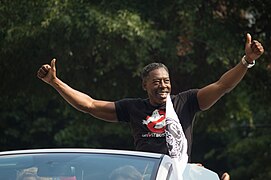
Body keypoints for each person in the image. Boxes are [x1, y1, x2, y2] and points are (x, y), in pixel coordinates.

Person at [37, 33, 263, 176]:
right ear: (144, 85)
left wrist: (246, 61)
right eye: (156, 82)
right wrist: (55, 82)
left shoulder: (186, 102)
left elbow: (222, 86)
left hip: (178, 174)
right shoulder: (133, 108)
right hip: (145, 175)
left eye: (166, 81)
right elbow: (89, 105)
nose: (163, 86)